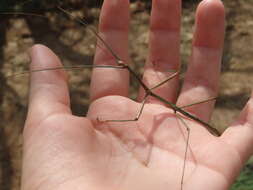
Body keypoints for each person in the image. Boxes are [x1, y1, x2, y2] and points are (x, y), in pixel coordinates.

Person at [21, 0, 253, 189]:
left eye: (123, 65)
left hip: (186, 118)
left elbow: (134, 119)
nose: (123, 65)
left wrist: (108, 120)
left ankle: (182, 177)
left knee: (190, 125)